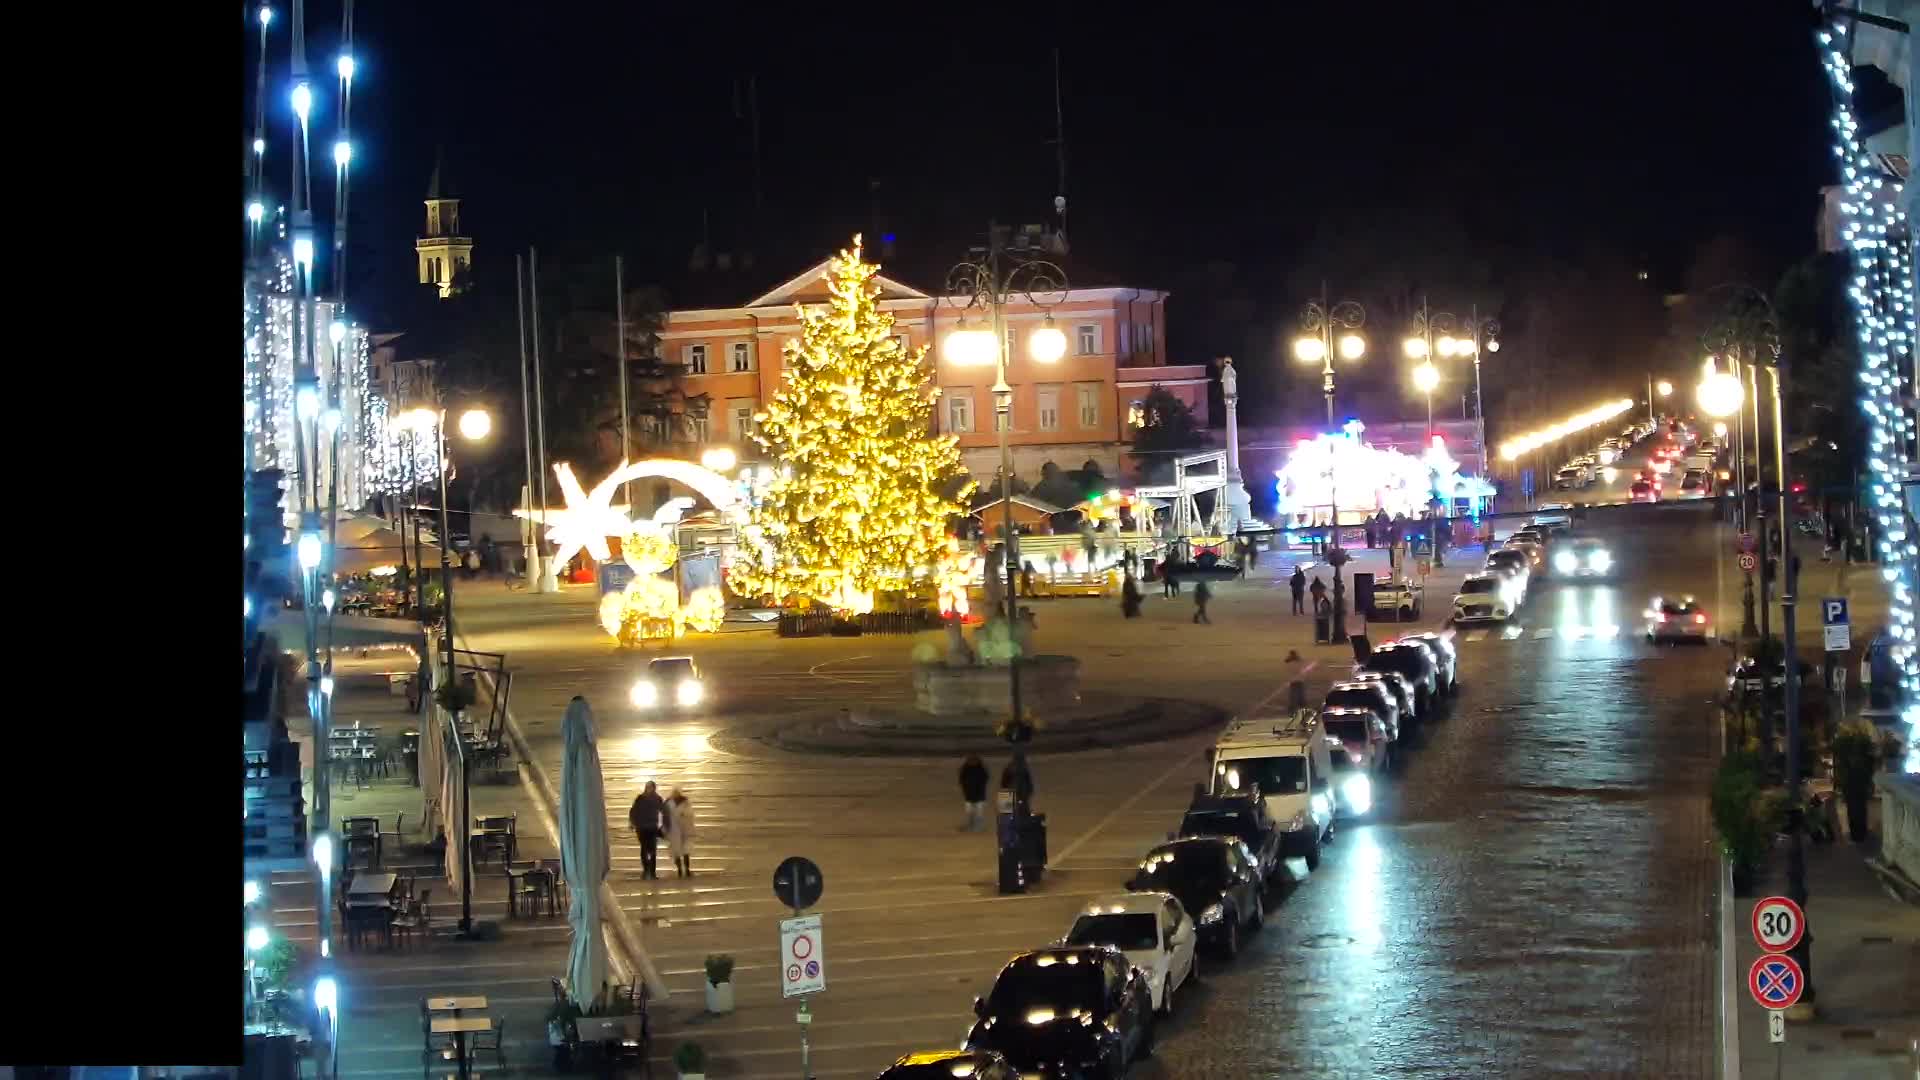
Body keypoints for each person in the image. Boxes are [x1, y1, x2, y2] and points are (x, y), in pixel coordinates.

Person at [628, 781, 671, 880]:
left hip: (651, 827)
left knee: (651, 850)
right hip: (642, 828)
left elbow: (664, 812)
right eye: (648, 787)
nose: (649, 789)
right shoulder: (641, 798)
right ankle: (647, 870)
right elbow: (633, 811)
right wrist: (632, 822)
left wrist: (665, 825)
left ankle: (651, 872)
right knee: (645, 849)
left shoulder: (656, 799)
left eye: (650, 787)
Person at [666, 788, 696, 877]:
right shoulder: (668, 803)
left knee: (686, 851)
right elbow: (665, 816)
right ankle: (679, 869)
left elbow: (691, 814)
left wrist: (685, 814)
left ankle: (686, 869)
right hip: (674, 830)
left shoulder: (685, 803)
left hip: (684, 830)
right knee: (676, 852)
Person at [959, 754, 990, 831]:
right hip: (969, 795)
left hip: (979, 795)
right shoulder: (965, 770)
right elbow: (962, 781)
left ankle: (979, 827)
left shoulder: (981, 770)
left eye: (974, 761)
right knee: (969, 812)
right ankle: (971, 826)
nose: (972, 762)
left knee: (979, 813)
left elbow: (985, 780)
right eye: (971, 761)